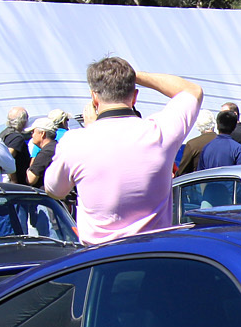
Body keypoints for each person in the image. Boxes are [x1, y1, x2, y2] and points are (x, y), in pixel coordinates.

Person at [44, 58, 203, 243]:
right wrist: (134, 76)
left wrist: (90, 128)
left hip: (100, 259)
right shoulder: (158, 132)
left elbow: (54, 190)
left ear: (94, 97)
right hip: (155, 253)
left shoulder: (74, 141)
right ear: (134, 96)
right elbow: (193, 90)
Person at [0, 107, 32, 182]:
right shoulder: (17, 138)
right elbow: (8, 159)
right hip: (16, 182)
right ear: (23, 121)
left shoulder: (4, 133)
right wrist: (14, 181)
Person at [25, 122, 58, 190]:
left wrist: (28, 170)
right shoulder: (57, 147)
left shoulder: (46, 153)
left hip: (49, 195)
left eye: (33, 132)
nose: (32, 135)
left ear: (42, 134)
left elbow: (31, 179)